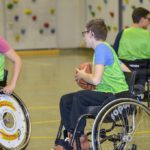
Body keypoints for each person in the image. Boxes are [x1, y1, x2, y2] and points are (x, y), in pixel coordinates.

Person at [55, 19, 131, 149]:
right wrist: (133, 78)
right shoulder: (106, 48)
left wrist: (82, 75)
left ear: (91, 33)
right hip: (106, 92)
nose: (83, 36)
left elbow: (95, 80)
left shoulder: (101, 49)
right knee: (66, 100)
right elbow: (123, 67)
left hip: (114, 95)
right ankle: (78, 138)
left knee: (80, 97)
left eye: (84, 33)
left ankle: (76, 138)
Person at [113, 7, 150, 86]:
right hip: (145, 71)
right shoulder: (148, 35)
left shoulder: (122, 33)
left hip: (125, 71)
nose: (149, 22)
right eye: (148, 19)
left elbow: (114, 53)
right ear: (142, 19)